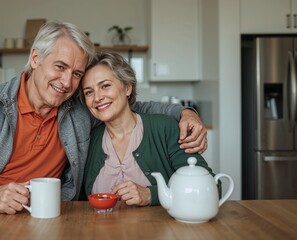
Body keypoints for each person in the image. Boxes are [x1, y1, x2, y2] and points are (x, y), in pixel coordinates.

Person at [0, 21, 207, 214]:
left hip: (53, 218)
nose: (67, 82)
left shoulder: (79, 108)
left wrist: (185, 112)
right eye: (60, 66)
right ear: (35, 59)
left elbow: (132, 107)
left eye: (77, 73)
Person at [81, 51, 214, 206]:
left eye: (105, 86)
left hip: (161, 229)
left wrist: (151, 194)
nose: (97, 98)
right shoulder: (88, 139)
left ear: (127, 88)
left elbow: (212, 187)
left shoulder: (165, 128)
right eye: (89, 92)